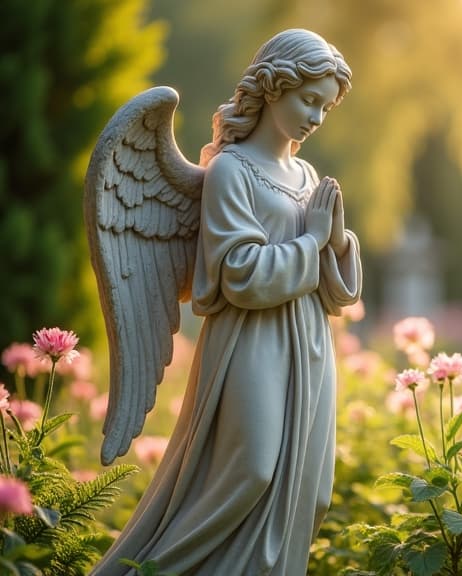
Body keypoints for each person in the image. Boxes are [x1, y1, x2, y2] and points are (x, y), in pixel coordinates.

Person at [90, 29, 361, 575]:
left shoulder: (307, 175)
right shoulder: (231, 170)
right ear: (273, 87)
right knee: (249, 472)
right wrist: (311, 239)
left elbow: (337, 291)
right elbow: (238, 273)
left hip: (309, 340)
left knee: (310, 490)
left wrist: (335, 241)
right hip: (252, 341)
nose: (316, 118)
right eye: (308, 100)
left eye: (325, 108)